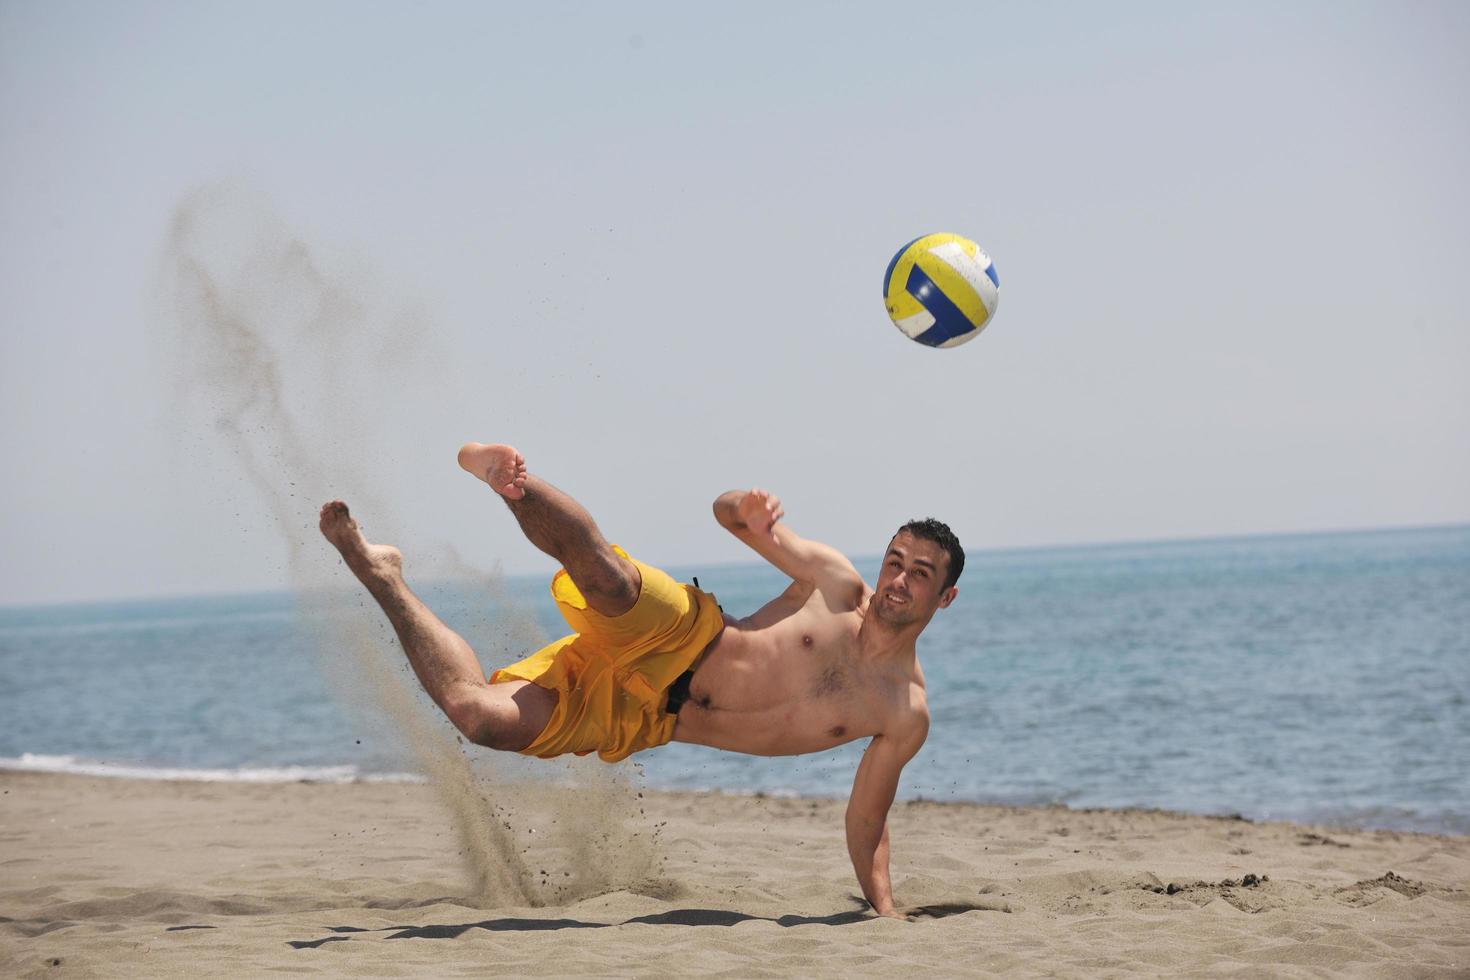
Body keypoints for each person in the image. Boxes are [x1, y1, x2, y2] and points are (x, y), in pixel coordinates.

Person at [318, 442, 962, 919]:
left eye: (920, 574)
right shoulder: (834, 584)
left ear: (945, 597)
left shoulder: (904, 713)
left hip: (644, 715)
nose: (898, 580)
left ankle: (383, 576)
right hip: (686, 634)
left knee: (476, 716)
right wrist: (751, 511)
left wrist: (884, 905)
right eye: (895, 562)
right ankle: (507, 481)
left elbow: (868, 816)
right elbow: (727, 514)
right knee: (608, 579)